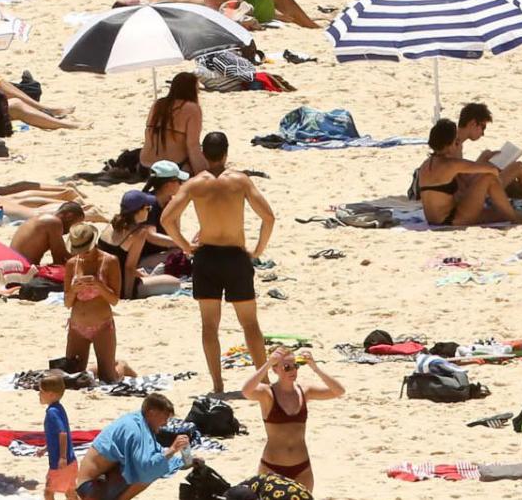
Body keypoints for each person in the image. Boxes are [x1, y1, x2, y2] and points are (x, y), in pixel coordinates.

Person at [161, 131, 274, 394]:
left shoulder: (194, 184)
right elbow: (268, 217)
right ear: (226, 152)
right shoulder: (240, 181)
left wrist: (186, 246)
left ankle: (218, 383)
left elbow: (168, 219)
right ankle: (264, 382)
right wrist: (257, 249)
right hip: (235, 256)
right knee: (250, 324)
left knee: (210, 325)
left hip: (207, 257)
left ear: (203, 153)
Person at [244, 347, 342, 489]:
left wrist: (315, 368)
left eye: (295, 366)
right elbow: (246, 391)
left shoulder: (305, 391)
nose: (293, 371)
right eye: (287, 367)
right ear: (275, 369)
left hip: (302, 468)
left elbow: (338, 391)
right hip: (272, 468)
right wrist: (267, 364)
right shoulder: (267, 393)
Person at [72, 393, 194, 500]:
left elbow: (154, 455)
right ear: (152, 413)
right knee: (149, 472)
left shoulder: (140, 422)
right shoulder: (134, 430)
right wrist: (172, 449)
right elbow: (146, 466)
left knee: (153, 467)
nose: (166, 423)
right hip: (90, 488)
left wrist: (184, 461)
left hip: (101, 479)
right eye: (165, 417)